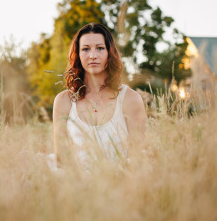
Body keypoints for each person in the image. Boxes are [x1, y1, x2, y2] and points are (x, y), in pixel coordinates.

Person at [49, 23, 147, 170]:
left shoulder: (130, 99)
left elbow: (138, 158)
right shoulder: (64, 101)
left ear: (110, 53)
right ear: (78, 54)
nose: (93, 55)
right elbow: (62, 161)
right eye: (85, 49)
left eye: (100, 48)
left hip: (120, 186)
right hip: (76, 186)